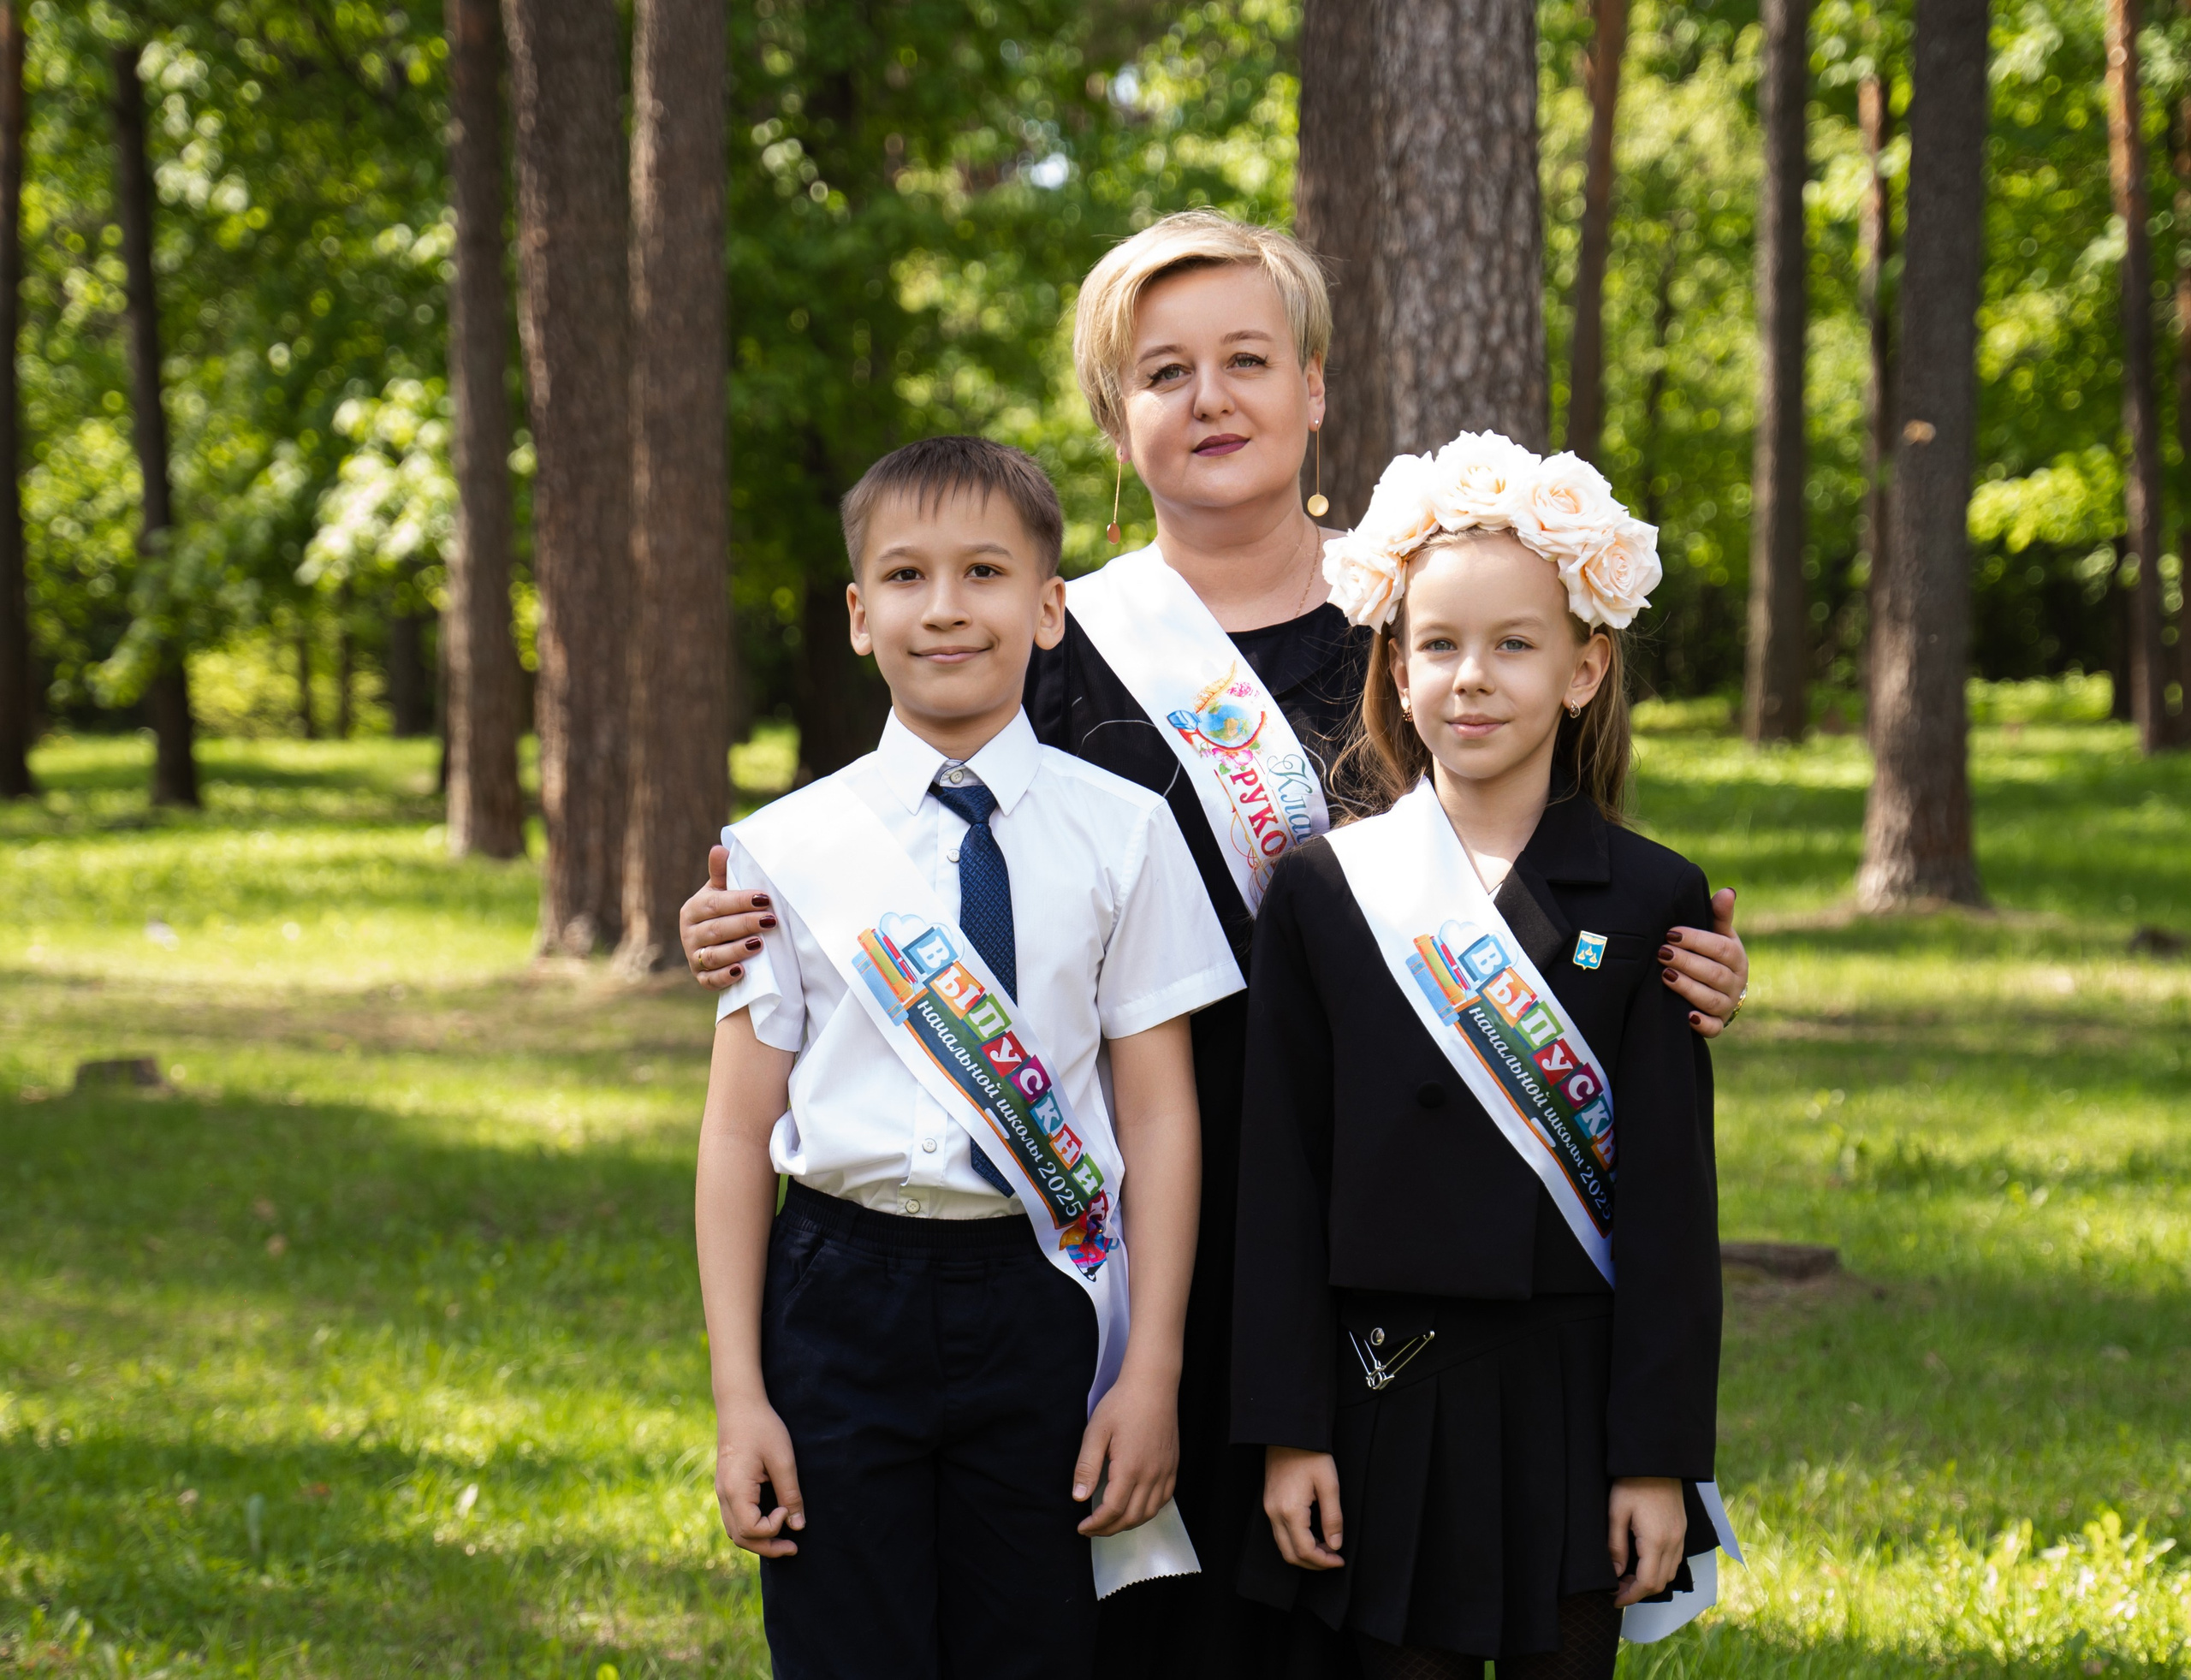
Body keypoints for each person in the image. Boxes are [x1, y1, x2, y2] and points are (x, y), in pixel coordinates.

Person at [681, 211, 1752, 1675]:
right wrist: (744, 920)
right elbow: (920, 852)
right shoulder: (1059, 642)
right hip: (1119, 1222)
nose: (1211, 399)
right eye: (1163, 371)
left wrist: (1687, 964)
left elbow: (1559, 884)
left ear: (1316, 388)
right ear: (1117, 422)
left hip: (1374, 1223)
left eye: (1248, 359)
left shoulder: (1422, 621)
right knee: (1127, 1614)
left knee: (1341, 1616)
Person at [693, 436, 1243, 1680]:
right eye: (906, 576)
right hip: (837, 1295)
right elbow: (735, 1135)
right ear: (856, 613)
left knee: (1037, 1646)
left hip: (1042, 1297)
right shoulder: (787, 847)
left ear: (1049, 609)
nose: (945, 608)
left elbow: (1160, 1118)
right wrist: (742, 1399)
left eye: (986, 571)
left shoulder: (1127, 834)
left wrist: (1149, 1369)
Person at [1234, 432, 1728, 1679]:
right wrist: (1290, 1433)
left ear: (1584, 669)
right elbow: (1278, 1184)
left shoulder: (1650, 892)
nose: (1473, 677)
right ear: (1396, 672)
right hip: (1381, 1395)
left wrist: (1657, 1458)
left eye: (1515, 645)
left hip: (1573, 1398)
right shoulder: (1325, 892)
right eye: (1440, 646)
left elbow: (1673, 1204)